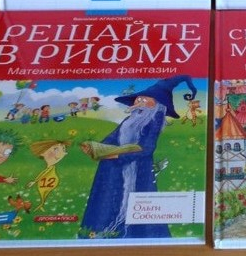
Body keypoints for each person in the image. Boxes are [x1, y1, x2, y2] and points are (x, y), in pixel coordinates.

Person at [79, 75, 198, 240]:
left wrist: (117, 155)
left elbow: (146, 148)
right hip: (112, 169)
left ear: (157, 105)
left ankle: (130, 233)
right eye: (138, 99)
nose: (140, 102)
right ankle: (101, 232)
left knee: (137, 204)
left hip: (136, 169)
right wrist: (96, 148)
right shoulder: (129, 120)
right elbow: (112, 138)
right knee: (106, 201)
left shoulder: (154, 121)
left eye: (145, 100)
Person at [26, 139, 70, 211]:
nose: (61, 153)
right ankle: (41, 204)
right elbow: (43, 173)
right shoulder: (49, 168)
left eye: (63, 150)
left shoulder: (51, 168)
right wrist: (35, 181)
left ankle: (41, 204)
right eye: (56, 149)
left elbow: (44, 173)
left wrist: (35, 181)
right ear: (42, 152)